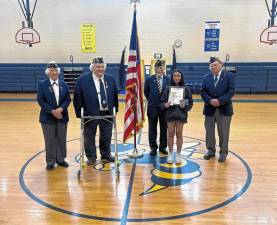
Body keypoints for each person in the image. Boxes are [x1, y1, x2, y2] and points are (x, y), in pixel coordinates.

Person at [73, 57, 118, 165]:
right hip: (89, 114)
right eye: (98, 67)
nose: (100, 69)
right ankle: (91, 156)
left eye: (102, 67)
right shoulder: (82, 80)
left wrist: (115, 111)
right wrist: (80, 114)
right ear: (92, 67)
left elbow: (115, 96)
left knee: (107, 136)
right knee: (89, 136)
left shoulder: (111, 79)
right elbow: (77, 98)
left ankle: (106, 154)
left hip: (107, 113)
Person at [200, 57, 236, 162]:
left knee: (224, 132)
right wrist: (210, 100)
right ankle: (211, 151)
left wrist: (220, 100)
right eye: (211, 65)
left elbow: (231, 91)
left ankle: (223, 153)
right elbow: (202, 92)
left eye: (215, 64)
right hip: (209, 108)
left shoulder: (229, 76)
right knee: (209, 132)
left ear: (221, 64)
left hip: (224, 109)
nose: (213, 66)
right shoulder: (206, 77)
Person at [37, 61, 71, 170]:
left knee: (61, 138)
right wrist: (52, 111)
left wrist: (61, 109)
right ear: (48, 72)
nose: (54, 72)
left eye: (56, 70)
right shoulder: (42, 85)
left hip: (62, 116)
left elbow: (67, 99)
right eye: (52, 70)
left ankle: (61, 159)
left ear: (59, 72)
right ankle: (50, 161)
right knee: (50, 140)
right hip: (47, 118)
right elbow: (41, 100)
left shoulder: (64, 84)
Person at [160, 69, 193, 164]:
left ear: (181, 77)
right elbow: (162, 103)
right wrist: (165, 105)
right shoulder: (167, 89)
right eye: (175, 76)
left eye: (178, 76)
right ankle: (170, 154)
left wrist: (184, 105)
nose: (176, 77)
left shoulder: (185, 89)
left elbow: (190, 103)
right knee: (170, 134)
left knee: (179, 135)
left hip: (181, 115)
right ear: (172, 77)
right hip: (170, 115)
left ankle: (178, 154)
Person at [144, 60, 170, 156]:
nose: (159, 69)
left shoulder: (168, 79)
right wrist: (153, 101)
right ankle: (153, 148)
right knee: (152, 129)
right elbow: (146, 93)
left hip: (165, 109)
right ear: (154, 69)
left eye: (161, 67)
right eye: (157, 67)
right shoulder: (149, 79)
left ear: (164, 69)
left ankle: (163, 147)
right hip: (153, 108)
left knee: (164, 129)